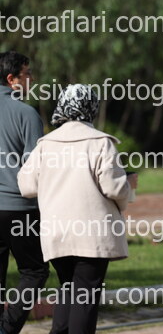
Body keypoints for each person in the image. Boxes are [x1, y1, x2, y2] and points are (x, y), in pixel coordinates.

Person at [18, 84, 138, 334]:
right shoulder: (101, 143)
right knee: (85, 295)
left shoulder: (45, 144)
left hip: (56, 234)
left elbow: (26, 185)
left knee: (68, 289)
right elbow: (113, 188)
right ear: (91, 107)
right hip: (92, 235)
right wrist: (129, 185)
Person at [0, 51, 49, 334]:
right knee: (35, 271)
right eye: (27, 74)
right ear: (12, 79)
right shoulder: (27, 114)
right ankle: (7, 328)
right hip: (19, 208)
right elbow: (35, 168)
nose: (32, 79)